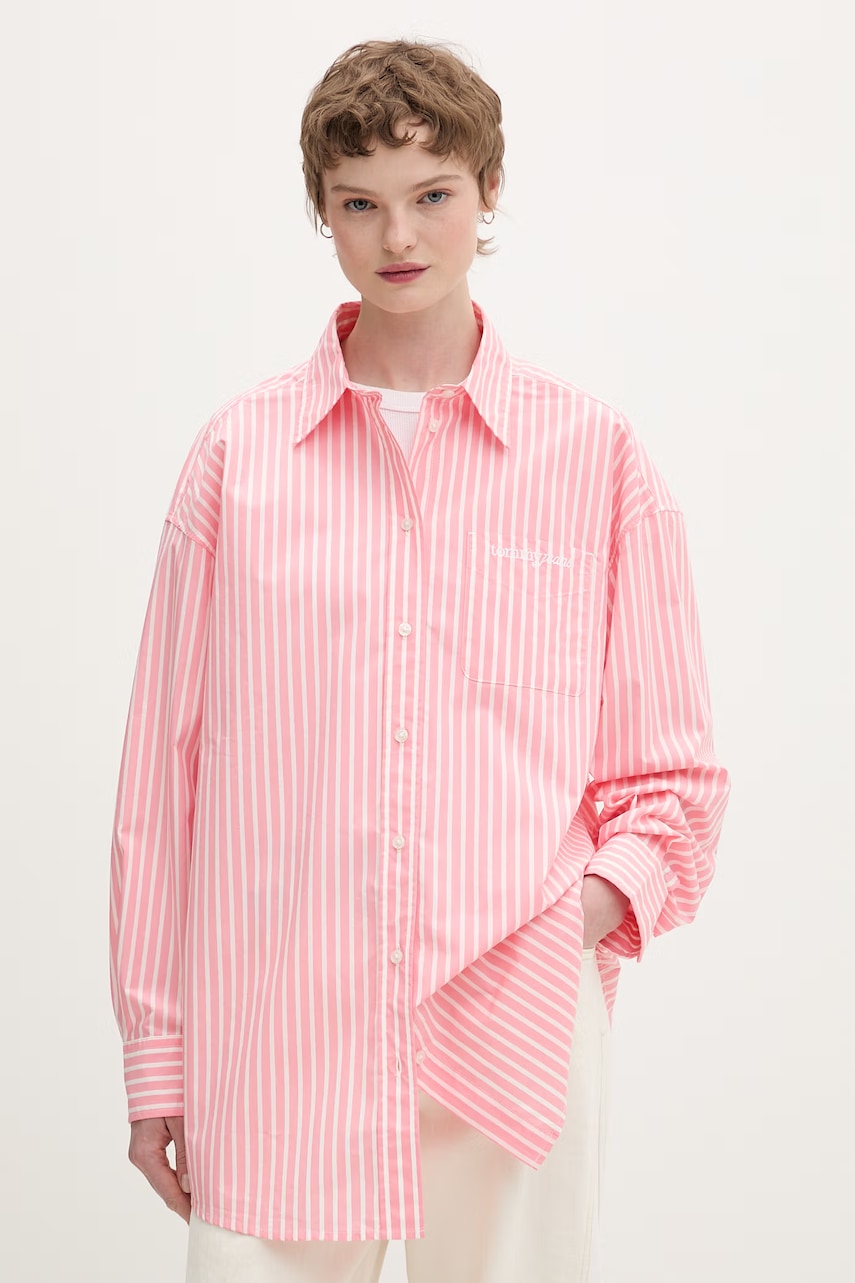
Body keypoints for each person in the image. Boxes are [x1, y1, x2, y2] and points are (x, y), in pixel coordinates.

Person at [110, 38, 730, 1283]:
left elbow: (673, 776)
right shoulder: (236, 461)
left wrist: (571, 917)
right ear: (322, 209)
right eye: (360, 203)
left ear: (489, 189)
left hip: (516, 1025)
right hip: (281, 1029)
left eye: (431, 194)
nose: (398, 236)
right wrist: (156, 1055)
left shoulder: (595, 459)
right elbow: (158, 786)